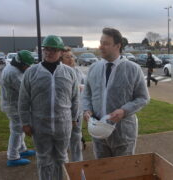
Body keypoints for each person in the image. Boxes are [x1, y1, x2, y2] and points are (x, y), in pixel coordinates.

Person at [82, 28, 149, 159]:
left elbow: (143, 98)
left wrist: (124, 111)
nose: (101, 46)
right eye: (100, 42)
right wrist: (86, 109)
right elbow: (86, 94)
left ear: (118, 46)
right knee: (103, 171)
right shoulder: (93, 68)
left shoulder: (133, 69)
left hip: (123, 134)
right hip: (99, 132)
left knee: (123, 172)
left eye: (106, 43)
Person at [18, 35, 79, 180]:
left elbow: (75, 99)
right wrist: (25, 123)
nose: (49, 52)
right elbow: (23, 100)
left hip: (62, 125)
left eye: (53, 49)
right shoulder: (32, 72)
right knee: (44, 159)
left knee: (62, 158)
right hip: (40, 125)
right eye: (46, 49)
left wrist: (73, 119)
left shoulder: (69, 73)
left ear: (60, 52)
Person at [0, 50, 36, 167]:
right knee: (17, 131)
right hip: (13, 106)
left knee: (19, 129)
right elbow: (25, 91)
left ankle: (22, 150)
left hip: (12, 105)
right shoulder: (13, 73)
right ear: (20, 63)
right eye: (26, 65)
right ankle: (13, 157)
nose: (27, 68)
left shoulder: (13, 69)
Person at [61, 47, 85, 162]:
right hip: (63, 112)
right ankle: (63, 166)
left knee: (76, 137)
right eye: (67, 57)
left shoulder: (77, 71)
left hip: (78, 111)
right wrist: (75, 88)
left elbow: (87, 86)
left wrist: (82, 88)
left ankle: (78, 163)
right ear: (61, 60)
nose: (71, 59)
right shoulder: (59, 73)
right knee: (62, 140)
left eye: (72, 56)